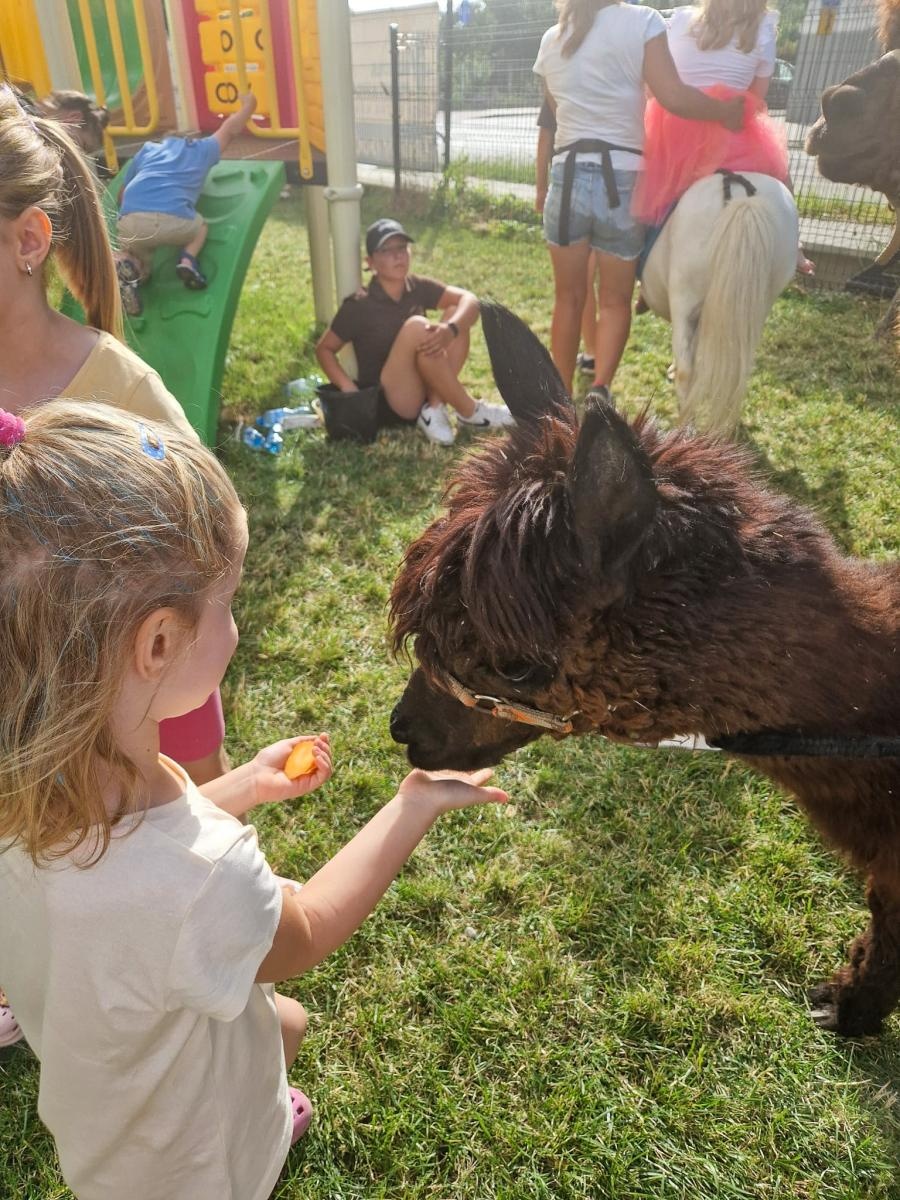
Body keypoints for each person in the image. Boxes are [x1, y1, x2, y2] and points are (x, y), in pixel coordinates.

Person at [0, 399, 508, 1200]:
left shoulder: (26, 795)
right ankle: (268, 1128)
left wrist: (239, 788)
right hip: (199, 1167)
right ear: (158, 644)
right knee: (287, 1023)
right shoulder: (204, 879)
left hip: (101, 1127)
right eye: (228, 604)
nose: (234, 625)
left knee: (285, 1024)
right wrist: (411, 804)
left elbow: (143, 846)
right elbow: (303, 933)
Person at [0, 87, 228, 785]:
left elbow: (216, 532)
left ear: (29, 240)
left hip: (142, 709)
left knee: (192, 849)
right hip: (25, 726)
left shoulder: (120, 390)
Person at [533, 0, 745, 396]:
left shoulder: (550, 40)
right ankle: (599, 389)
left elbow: (556, 110)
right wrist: (724, 111)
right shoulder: (643, 21)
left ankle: (559, 399)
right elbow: (674, 96)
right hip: (624, 178)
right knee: (615, 300)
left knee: (568, 298)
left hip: (567, 178)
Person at [633, 0, 814, 274]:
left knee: (651, 191)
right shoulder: (763, 30)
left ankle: (641, 264)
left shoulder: (681, 21)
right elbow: (756, 98)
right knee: (781, 177)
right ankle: (795, 248)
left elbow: (655, 87)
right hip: (730, 128)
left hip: (675, 129)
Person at [315, 218, 515, 447]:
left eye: (402, 248)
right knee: (418, 327)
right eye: (386, 250)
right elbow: (324, 349)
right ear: (370, 262)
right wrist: (349, 389)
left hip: (426, 386)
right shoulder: (360, 304)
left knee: (454, 312)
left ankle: (434, 408)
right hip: (393, 401)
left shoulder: (417, 286)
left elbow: (470, 301)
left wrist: (451, 329)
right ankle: (470, 411)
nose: (398, 255)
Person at [115, 92, 258, 316]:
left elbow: (123, 193)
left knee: (139, 263)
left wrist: (125, 214)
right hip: (175, 220)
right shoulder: (201, 149)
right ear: (191, 139)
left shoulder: (148, 150)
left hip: (132, 220)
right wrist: (249, 107)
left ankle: (125, 264)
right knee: (200, 227)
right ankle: (188, 260)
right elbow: (230, 129)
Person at [536, 98, 600, 377]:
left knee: (581, 286)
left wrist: (541, 189)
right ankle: (593, 355)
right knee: (590, 285)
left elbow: (544, 140)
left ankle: (591, 357)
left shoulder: (562, 81)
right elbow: (545, 138)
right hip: (608, 189)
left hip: (580, 193)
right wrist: (540, 188)